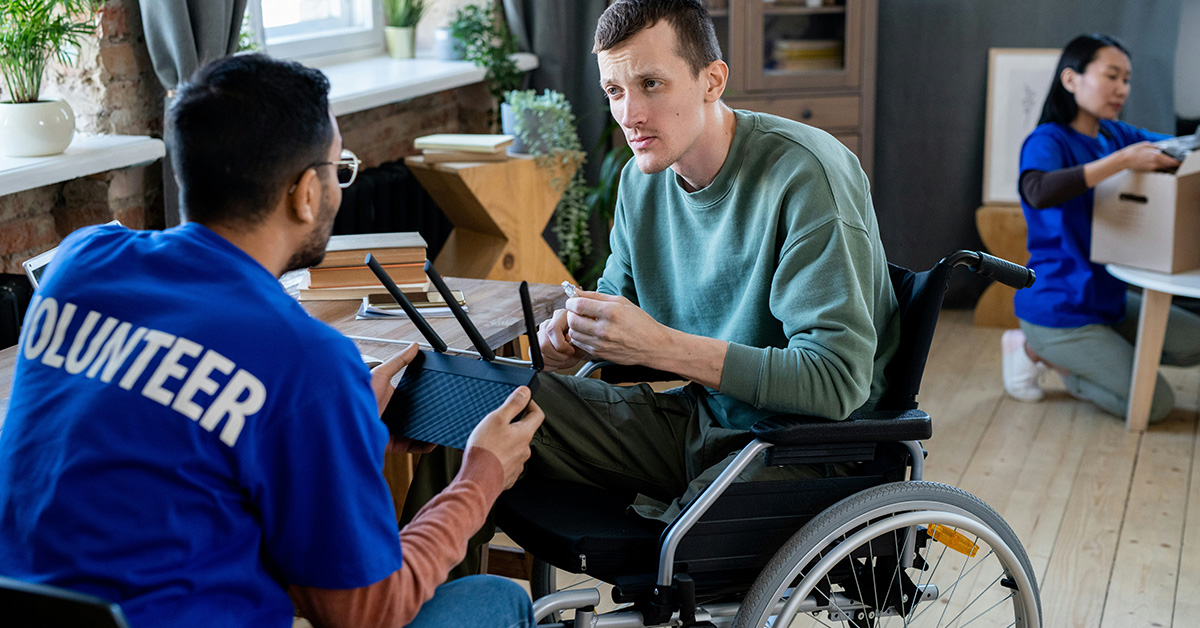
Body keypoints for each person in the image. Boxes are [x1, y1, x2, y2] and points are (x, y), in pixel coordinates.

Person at [0, 53, 544, 628]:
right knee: (495, 600)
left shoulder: (81, 262)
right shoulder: (306, 360)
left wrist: (341, 421)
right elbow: (363, 611)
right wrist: (480, 475)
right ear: (306, 193)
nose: (338, 186)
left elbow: (164, 432)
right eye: (339, 168)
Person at [402, 0, 899, 576]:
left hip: (802, 449)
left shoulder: (806, 177)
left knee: (674, 551)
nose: (629, 114)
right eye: (614, 91)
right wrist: (575, 340)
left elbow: (836, 382)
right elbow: (619, 305)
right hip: (696, 421)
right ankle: (417, 604)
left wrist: (659, 347)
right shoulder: (643, 180)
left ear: (712, 81)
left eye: (651, 84)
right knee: (470, 404)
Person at [1002, 33, 1200, 422]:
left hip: (1106, 296)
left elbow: (1180, 148)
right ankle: (1036, 351)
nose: (1121, 89)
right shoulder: (1048, 139)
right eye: (1111, 76)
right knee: (1154, 404)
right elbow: (1037, 190)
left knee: (1196, 343)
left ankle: (1093, 349)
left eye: (1126, 79)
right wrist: (1122, 161)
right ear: (1071, 79)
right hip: (1057, 308)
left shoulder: (1115, 134)